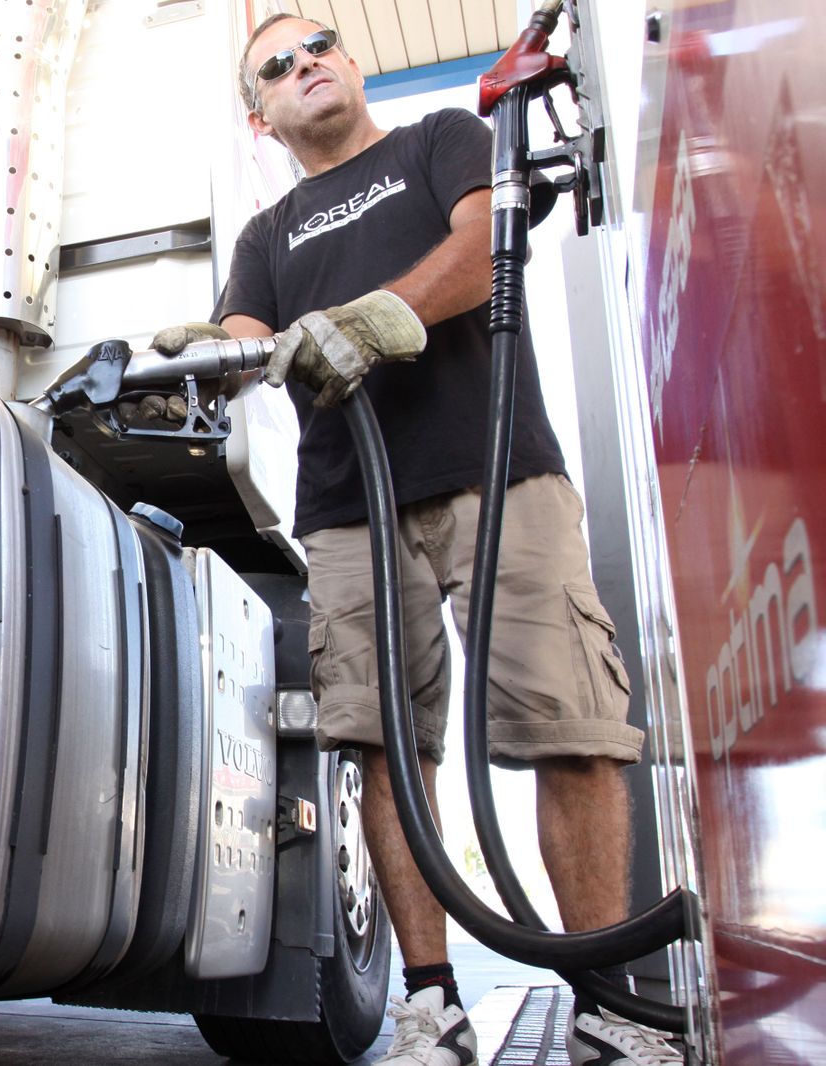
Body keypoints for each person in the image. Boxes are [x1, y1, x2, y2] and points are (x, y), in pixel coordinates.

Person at [153, 14, 684, 1066]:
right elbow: (247, 341)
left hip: (498, 472)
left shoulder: (436, 139)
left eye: (319, 45)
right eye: (277, 66)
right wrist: (200, 357)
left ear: (350, 63)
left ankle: (604, 1000)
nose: (305, 64)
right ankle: (431, 1004)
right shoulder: (267, 237)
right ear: (260, 116)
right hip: (348, 507)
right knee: (382, 748)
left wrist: (382, 314)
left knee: (568, 725)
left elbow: (487, 241)